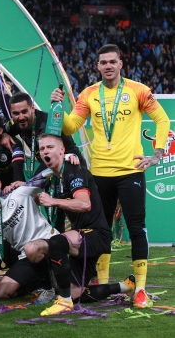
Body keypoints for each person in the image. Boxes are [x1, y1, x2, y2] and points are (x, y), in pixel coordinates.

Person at [50, 44, 170, 307]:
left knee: (136, 228)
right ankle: (102, 282)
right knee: (98, 230)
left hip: (131, 171)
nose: (108, 66)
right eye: (103, 62)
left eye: (112, 62)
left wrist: (157, 155)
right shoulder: (89, 93)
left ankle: (139, 289)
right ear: (97, 66)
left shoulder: (138, 90)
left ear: (120, 64)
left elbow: (162, 121)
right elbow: (71, 125)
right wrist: (58, 108)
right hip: (99, 173)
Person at [25, 134, 135, 316]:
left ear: (62, 151)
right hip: (82, 236)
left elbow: (84, 204)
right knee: (34, 250)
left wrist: (53, 201)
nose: (45, 151)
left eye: (50, 147)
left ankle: (63, 302)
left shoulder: (73, 172)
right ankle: (124, 286)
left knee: (56, 243)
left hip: (96, 235)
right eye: (42, 148)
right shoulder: (55, 176)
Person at [0, 167, 58, 302]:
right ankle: (44, 282)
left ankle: (51, 283)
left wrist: (68, 156)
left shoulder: (20, 193)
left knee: (75, 291)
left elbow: (45, 174)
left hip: (50, 243)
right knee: (2, 292)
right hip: (27, 256)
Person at [7, 91, 85, 180]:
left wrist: (31, 183)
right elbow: (0, 130)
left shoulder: (48, 124)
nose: (20, 117)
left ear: (32, 108)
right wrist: (4, 135)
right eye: (16, 113)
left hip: (71, 165)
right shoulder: (15, 123)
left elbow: (51, 157)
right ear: (11, 113)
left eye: (24, 112)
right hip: (51, 167)